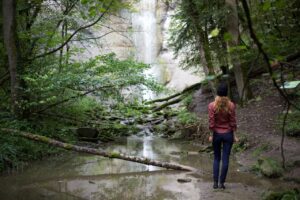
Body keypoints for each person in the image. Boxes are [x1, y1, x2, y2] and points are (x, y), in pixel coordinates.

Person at [208, 83, 238, 189]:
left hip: (216, 134)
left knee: (216, 158)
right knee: (225, 159)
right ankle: (222, 183)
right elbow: (232, 122)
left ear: (217, 93)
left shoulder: (212, 105)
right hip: (228, 134)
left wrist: (211, 134)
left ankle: (215, 183)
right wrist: (234, 135)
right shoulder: (231, 105)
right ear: (226, 93)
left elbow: (211, 122)